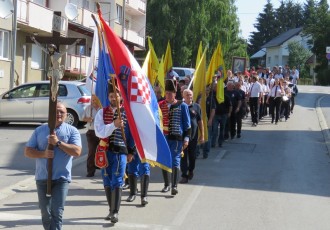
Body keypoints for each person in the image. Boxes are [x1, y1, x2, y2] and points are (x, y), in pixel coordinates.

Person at [24, 102, 82, 230]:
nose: (59, 114)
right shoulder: (40, 130)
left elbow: (77, 151)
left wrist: (58, 143)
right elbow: (28, 151)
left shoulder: (72, 131)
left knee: (57, 212)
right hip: (42, 178)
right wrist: (43, 153)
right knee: (45, 214)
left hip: (62, 178)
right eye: (56, 111)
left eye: (62, 112)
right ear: (50, 113)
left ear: (66, 114)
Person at [94, 81, 135, 223]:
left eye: (115, 96)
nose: (113, 98)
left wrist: (131, 152)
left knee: (117, 180)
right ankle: (111, 210)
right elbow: (99, 132)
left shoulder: (127, 113)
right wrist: (113, 125)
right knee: (106, 180)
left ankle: (115, 212)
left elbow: (132, 135)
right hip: (104, 151)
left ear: (120, 97)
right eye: (111, 96)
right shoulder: (101, 112)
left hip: (120, 152)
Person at [159, 79, 191, 196]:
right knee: (164, 160)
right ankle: (167, 184)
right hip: (163, 138)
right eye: (166, 93)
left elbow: (187, 124)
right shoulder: (160, 105)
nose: (168, 95)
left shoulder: (182, 106)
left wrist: (186, 138)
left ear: (174, 93)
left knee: (175, 161)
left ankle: (174, 186)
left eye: (170, 93)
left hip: (177, 138)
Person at [180, 89, 204, 183]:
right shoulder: (181, 106)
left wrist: (202, 134)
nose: (189, 96)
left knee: (192, 156)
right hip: (182, 136)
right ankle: (184, 175)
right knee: (183, 156)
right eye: (187, 95)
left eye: (190, 95)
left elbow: (199, 121)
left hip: (193, 136)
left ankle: (191, 170)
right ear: (183, 96)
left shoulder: (197, 107)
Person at [83, 95, 101, 177]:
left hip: (101, 132)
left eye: (95, 100)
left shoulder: (102, 108)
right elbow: (82, 118)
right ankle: (90, 170)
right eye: (92, 100)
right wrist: (88, 119)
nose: (93, 101)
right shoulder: (88, 108)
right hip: (91, 132)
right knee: (92, 151)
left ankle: (103, 167)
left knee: (102, 151)